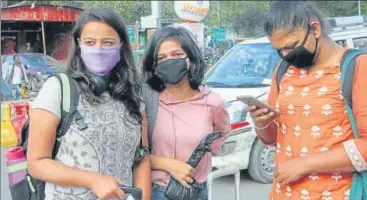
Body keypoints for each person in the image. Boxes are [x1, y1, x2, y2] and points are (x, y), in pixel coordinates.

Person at [27, 8, 151, 200]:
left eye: (108, 42)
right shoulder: (59, 89)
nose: (99, 49)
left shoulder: (134, 96)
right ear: (79, 45)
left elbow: (141, 158)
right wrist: (92, 180)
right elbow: (36, 163)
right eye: (90, 42)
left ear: (121, 45)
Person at [248, 1, 367, 200]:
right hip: (284, 193)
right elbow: (273, 139)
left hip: (338, 193)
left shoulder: (357, 66)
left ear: (315, 29)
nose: (286, 56)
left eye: (291, 46)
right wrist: (262, 123)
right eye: (279, 50)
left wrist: (303, 165)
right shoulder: (283, 71)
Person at [142, 26, 231, 200]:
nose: (170, 61)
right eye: (161, 58)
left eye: (176, 54)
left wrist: (202, 159)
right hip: (155, 190)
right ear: (153, 66)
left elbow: (221, 133)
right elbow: (132, 153)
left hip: (195, 190)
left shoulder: (212, 102)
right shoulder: (147, 100)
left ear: (190, 57)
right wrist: (169, 164)